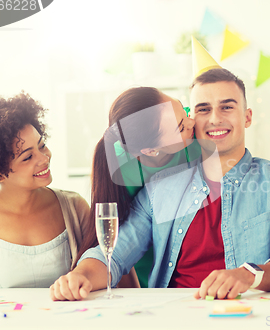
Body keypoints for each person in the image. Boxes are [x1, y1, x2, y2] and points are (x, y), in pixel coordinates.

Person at [50, 68, 270, 301]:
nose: (214, 119)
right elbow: (115, 256)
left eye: (227, 107)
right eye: (203, 109)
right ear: (192, 120)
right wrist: (80, 276)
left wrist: (248, 275)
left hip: (247, 316)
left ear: (247, 117)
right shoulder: (158, 190)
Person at [75, 86, 199, 288]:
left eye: (183, 110)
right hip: (141, 261)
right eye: (180, 127)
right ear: (150, 150)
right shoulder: (120, 169)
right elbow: (123, 242)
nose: (192, 121)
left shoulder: (197, 145)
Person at [0, 93, 90, 288]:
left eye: (42, 146)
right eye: (28, 157)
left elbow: (106, 271)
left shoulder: (75, 207)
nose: (44, 158)